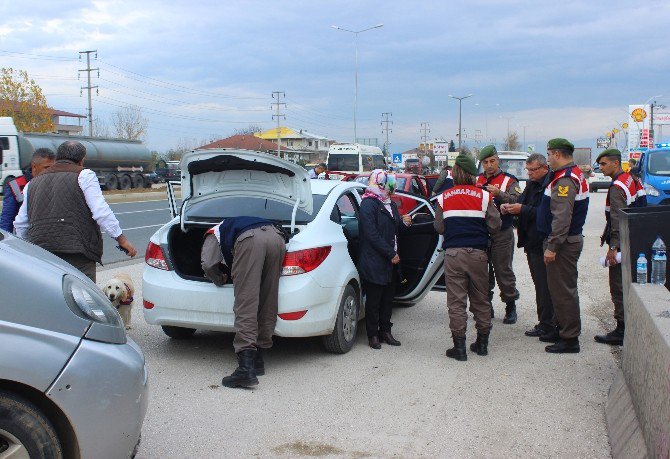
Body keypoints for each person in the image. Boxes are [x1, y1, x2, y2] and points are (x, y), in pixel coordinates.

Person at [13, 141, 136, 281]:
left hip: (43, 254)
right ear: (81, 160)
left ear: (58, 157)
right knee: (82, 298)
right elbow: (101, 212)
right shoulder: (84, 175)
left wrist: (30, 250)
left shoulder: (32, 183)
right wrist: (121, 239)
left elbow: (20, 224)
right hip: (77, 253)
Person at [200, 217, 286, 388]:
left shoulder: (213, 232)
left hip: (249, 241)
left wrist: (220, 278)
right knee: (268, 300)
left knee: (246, 303)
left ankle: (245, 369)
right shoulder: (240, 222)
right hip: (276, 237)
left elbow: (208, 264)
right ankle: (258, 360)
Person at [434, 154, 501, 361]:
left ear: (455, 174)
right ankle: (482, 344)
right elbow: (495, 225)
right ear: (473, 174)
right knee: (481, 299)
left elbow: (439, 227)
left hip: (454, 254)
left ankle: (460, 348)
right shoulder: (484, 196)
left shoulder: (444, 197)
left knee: (456, 302)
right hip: (479, 255)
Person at [537, 138, 589, 353]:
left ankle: (569, 338)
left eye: (548, 154)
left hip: (564, 244)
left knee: (563, 292)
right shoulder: (568, 175)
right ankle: (562, 330)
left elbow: (562, 218)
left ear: (557, 154)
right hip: (565, 242)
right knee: (559, 289)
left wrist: (553, 246)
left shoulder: (566, 180)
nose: (547, 158)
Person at [595, 149, 646, 346]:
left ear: (616, 163)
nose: (601, 167)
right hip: (636, 238)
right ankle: (630, 326)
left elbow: (616, 219)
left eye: (604, 164)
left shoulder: (617, 186)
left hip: (623, 242)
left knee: (618, 286)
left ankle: (621, 329)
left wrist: (613, 247)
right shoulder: (631, 178)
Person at [501, 153, 555, 337]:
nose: (529, 174)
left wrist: (521, 209)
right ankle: (545, 322)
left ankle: (549, 324)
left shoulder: (550, 185)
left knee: (545, 286)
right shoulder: (532, 184)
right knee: (540, 285)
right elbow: (520, 202)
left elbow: (546, 213)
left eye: (533, 170)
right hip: (531, 241)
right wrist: (509, 207)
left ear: (544, 168)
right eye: (528, 170)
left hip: (542, 240)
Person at [358, 169, 412, 349]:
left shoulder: (390, 204)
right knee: (374, 300)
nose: (392, 190)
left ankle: (386, 332)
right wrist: (391, 253)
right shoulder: (368, 204)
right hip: (375, 260)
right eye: (389, 186)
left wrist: (404, 223)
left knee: (388, 299)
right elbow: (371, 235)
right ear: (379, 184)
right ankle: (373, 334)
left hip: (390, 262)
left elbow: (395, 230)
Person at [476, 145, 521, 324]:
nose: (489, 165)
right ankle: (486, 307)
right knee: (481, 273)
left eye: (492, 161)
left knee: (504, 271)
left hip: (502, 233)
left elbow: (518, 201)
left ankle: (511, 307)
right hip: (481, 232)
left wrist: (499, 194)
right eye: (486, 162)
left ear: (498, 161)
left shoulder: (509, 181)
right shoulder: (476, 180)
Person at [1, 148, 55, 232]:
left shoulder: (55, 183)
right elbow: (7, 219)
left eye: (53, 167)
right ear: (34, 166)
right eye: (46, 167)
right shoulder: (16, 185)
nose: (51, 171)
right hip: (23, 238)